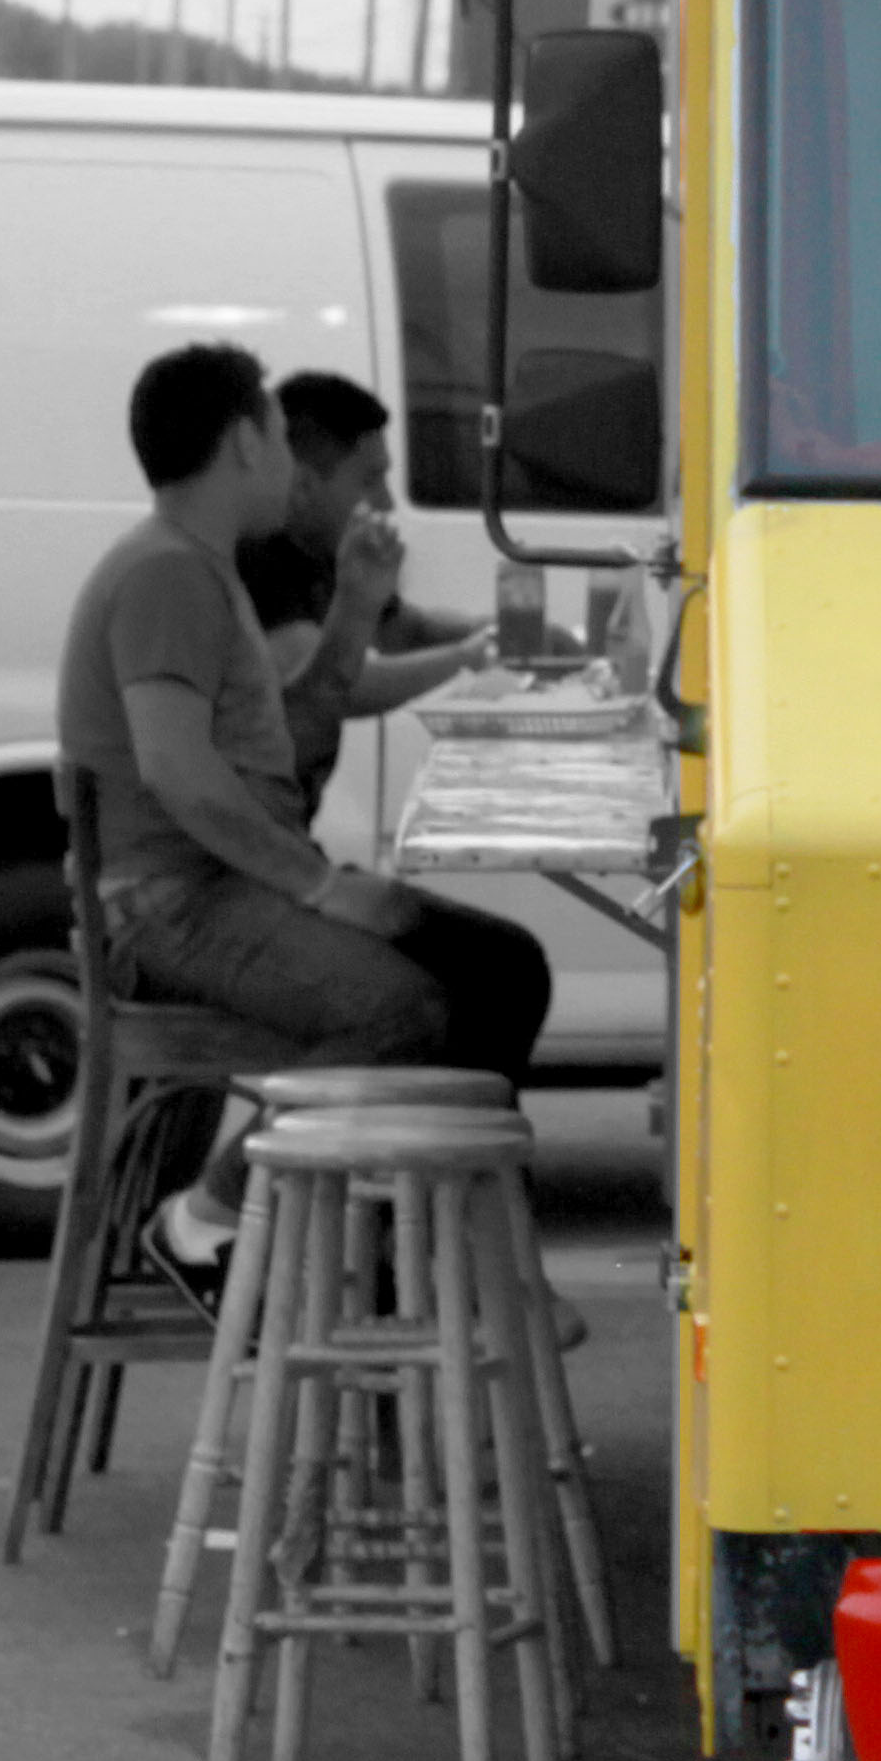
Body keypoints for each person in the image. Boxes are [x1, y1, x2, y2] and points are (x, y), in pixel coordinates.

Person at [57, 348, 554, 1159]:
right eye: (283, 438)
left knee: (500, 969)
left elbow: (299, 734)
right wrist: (321, 887)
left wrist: (356, 610)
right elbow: (177, 772)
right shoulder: (166, 576)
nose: (292, 467)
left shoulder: (203, 569)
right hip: (172, 906)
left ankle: (433, 1233)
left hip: (223, 886)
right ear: (248, 445)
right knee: (408, 1015)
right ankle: (214, 1224)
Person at [235, 372, 493, 815]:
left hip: (279, 835)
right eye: (370, 480)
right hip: (234, 854)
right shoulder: (257, 557)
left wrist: (492, 629)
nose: (388, 502)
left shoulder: (325, 549)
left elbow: (403, 630)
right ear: (305, 483)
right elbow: (332, 688)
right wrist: (472, 657)